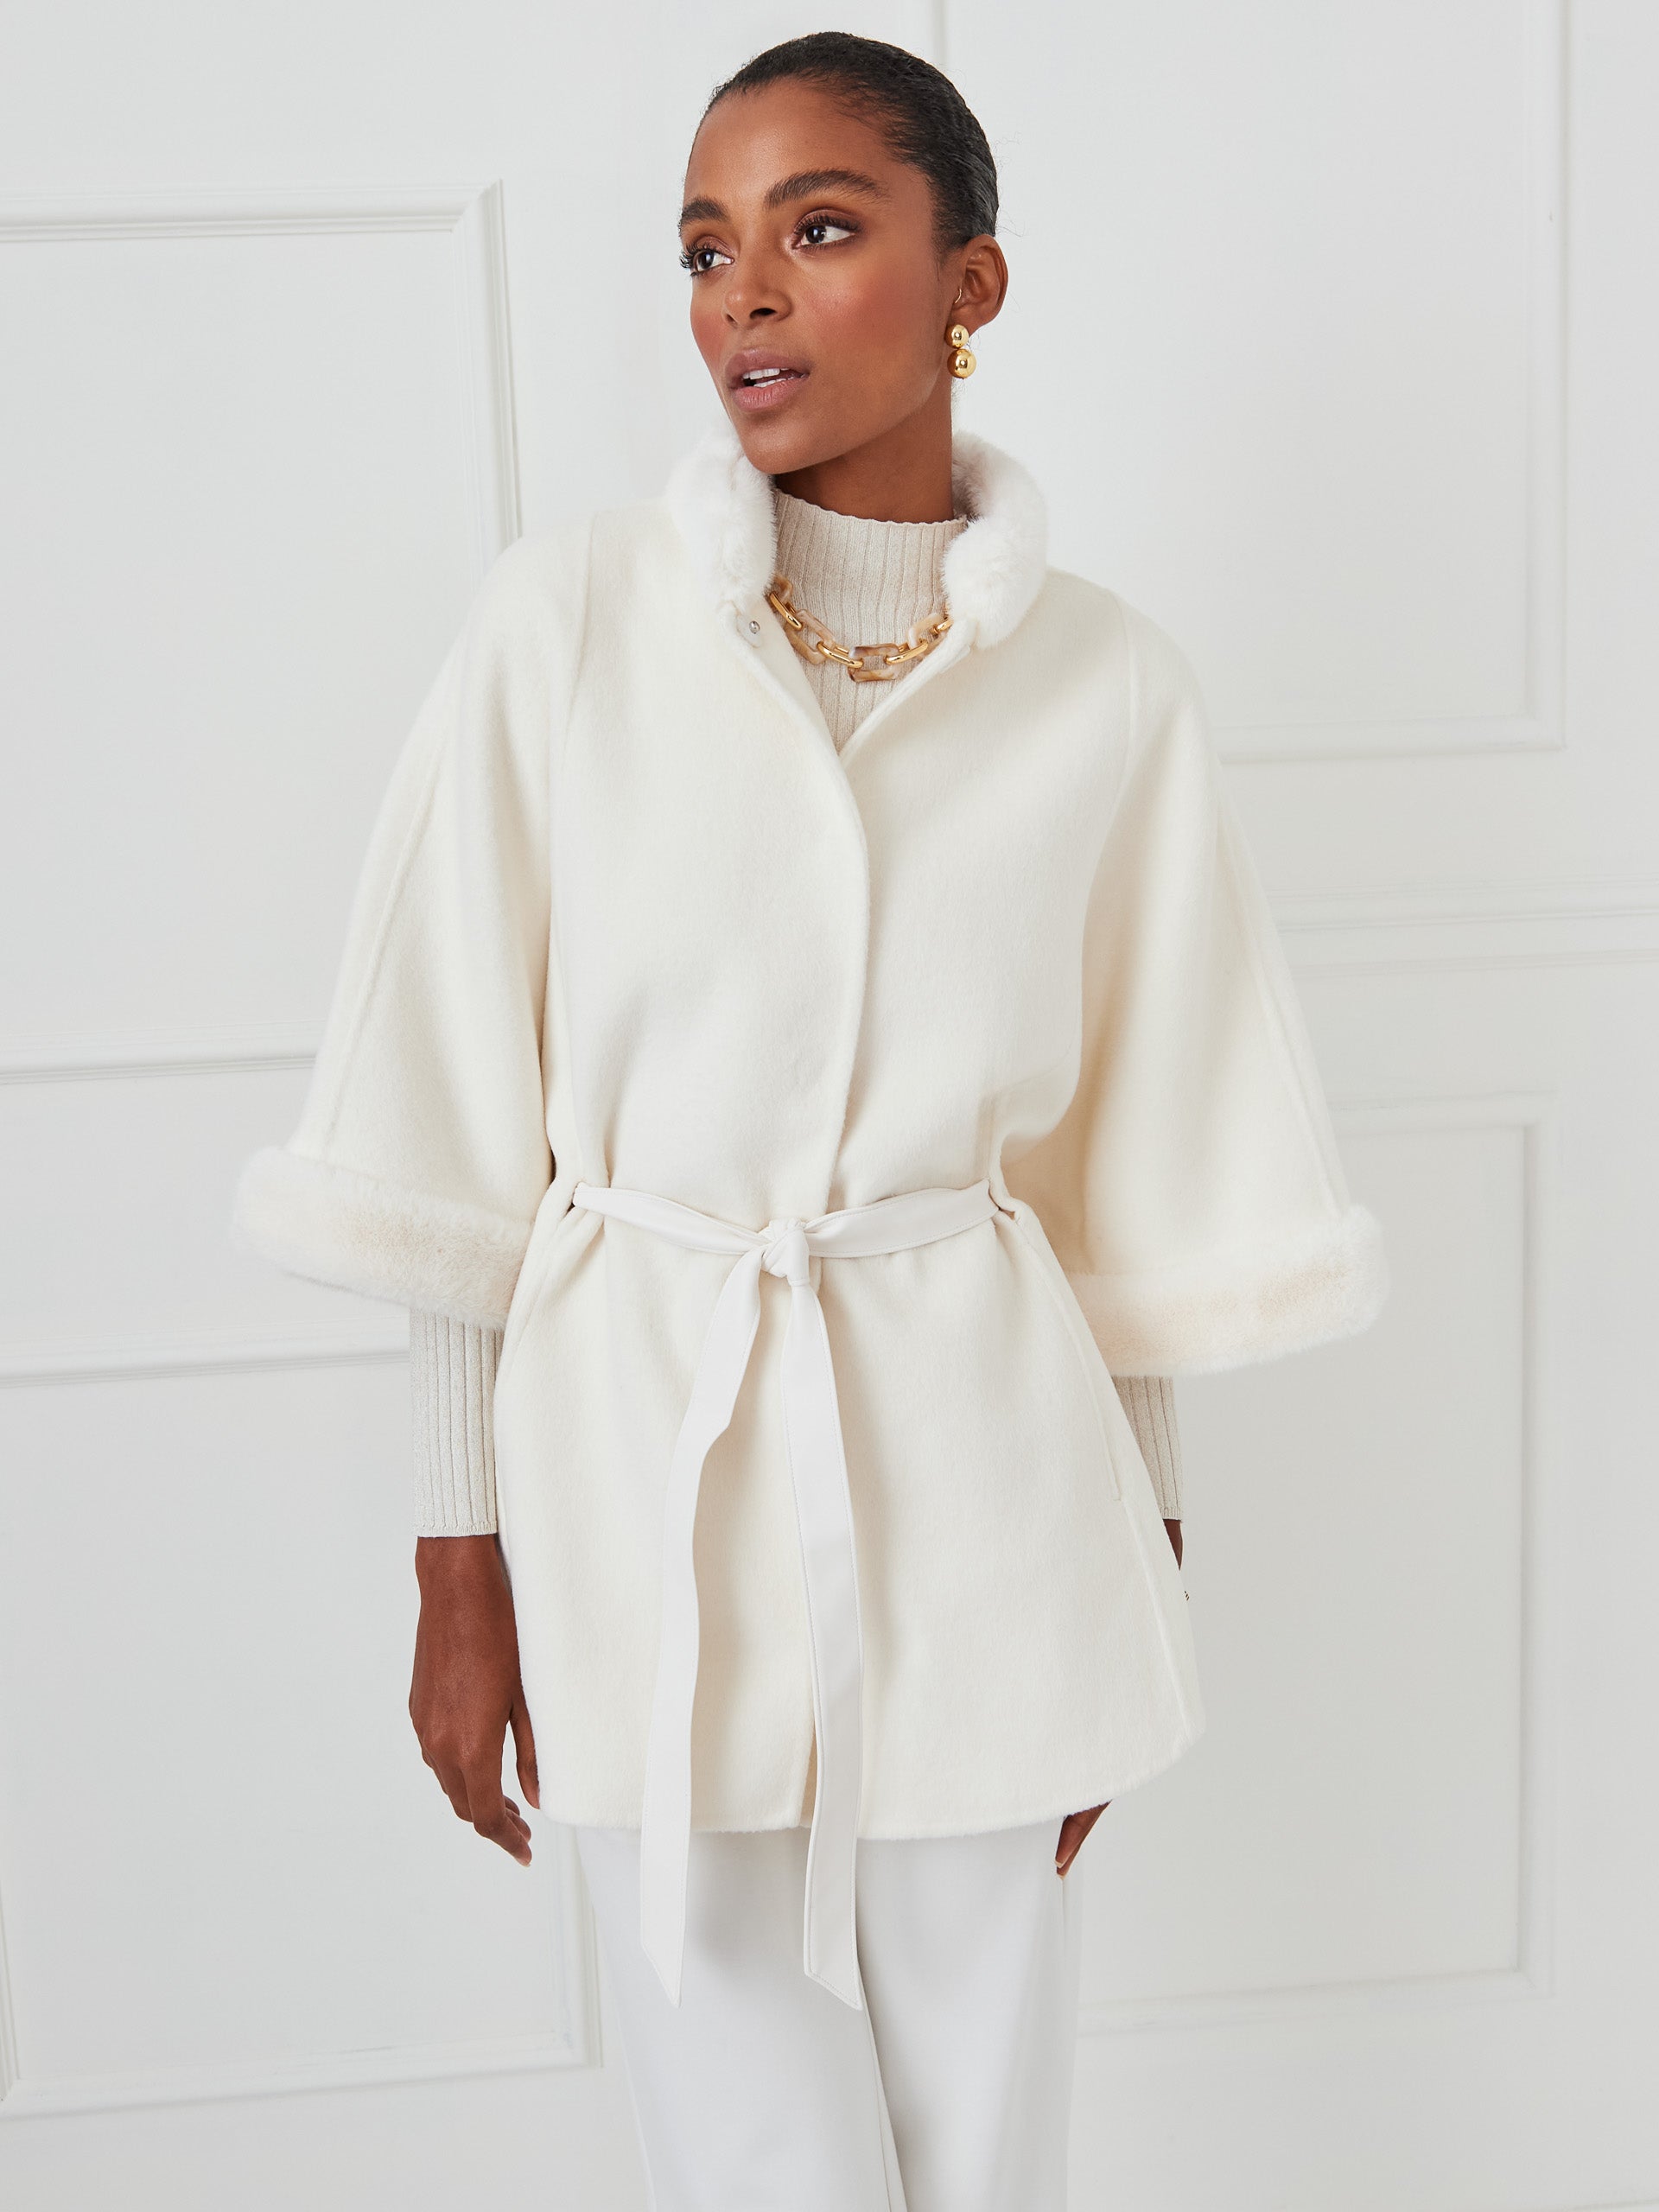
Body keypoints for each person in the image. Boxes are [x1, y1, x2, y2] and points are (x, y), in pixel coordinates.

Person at [232, 30, 1388, 2211]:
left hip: (1000, 1519)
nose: (742, 295)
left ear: (973, 284)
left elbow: (1135, 1184)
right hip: (637, 1499)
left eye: (820, 228)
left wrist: (1133, 1567)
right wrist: (460, 1560)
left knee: (987, 2152)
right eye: (704, 248)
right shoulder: (566, 625)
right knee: (758, 2153)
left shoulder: (1109, 684)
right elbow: (446, 1126)